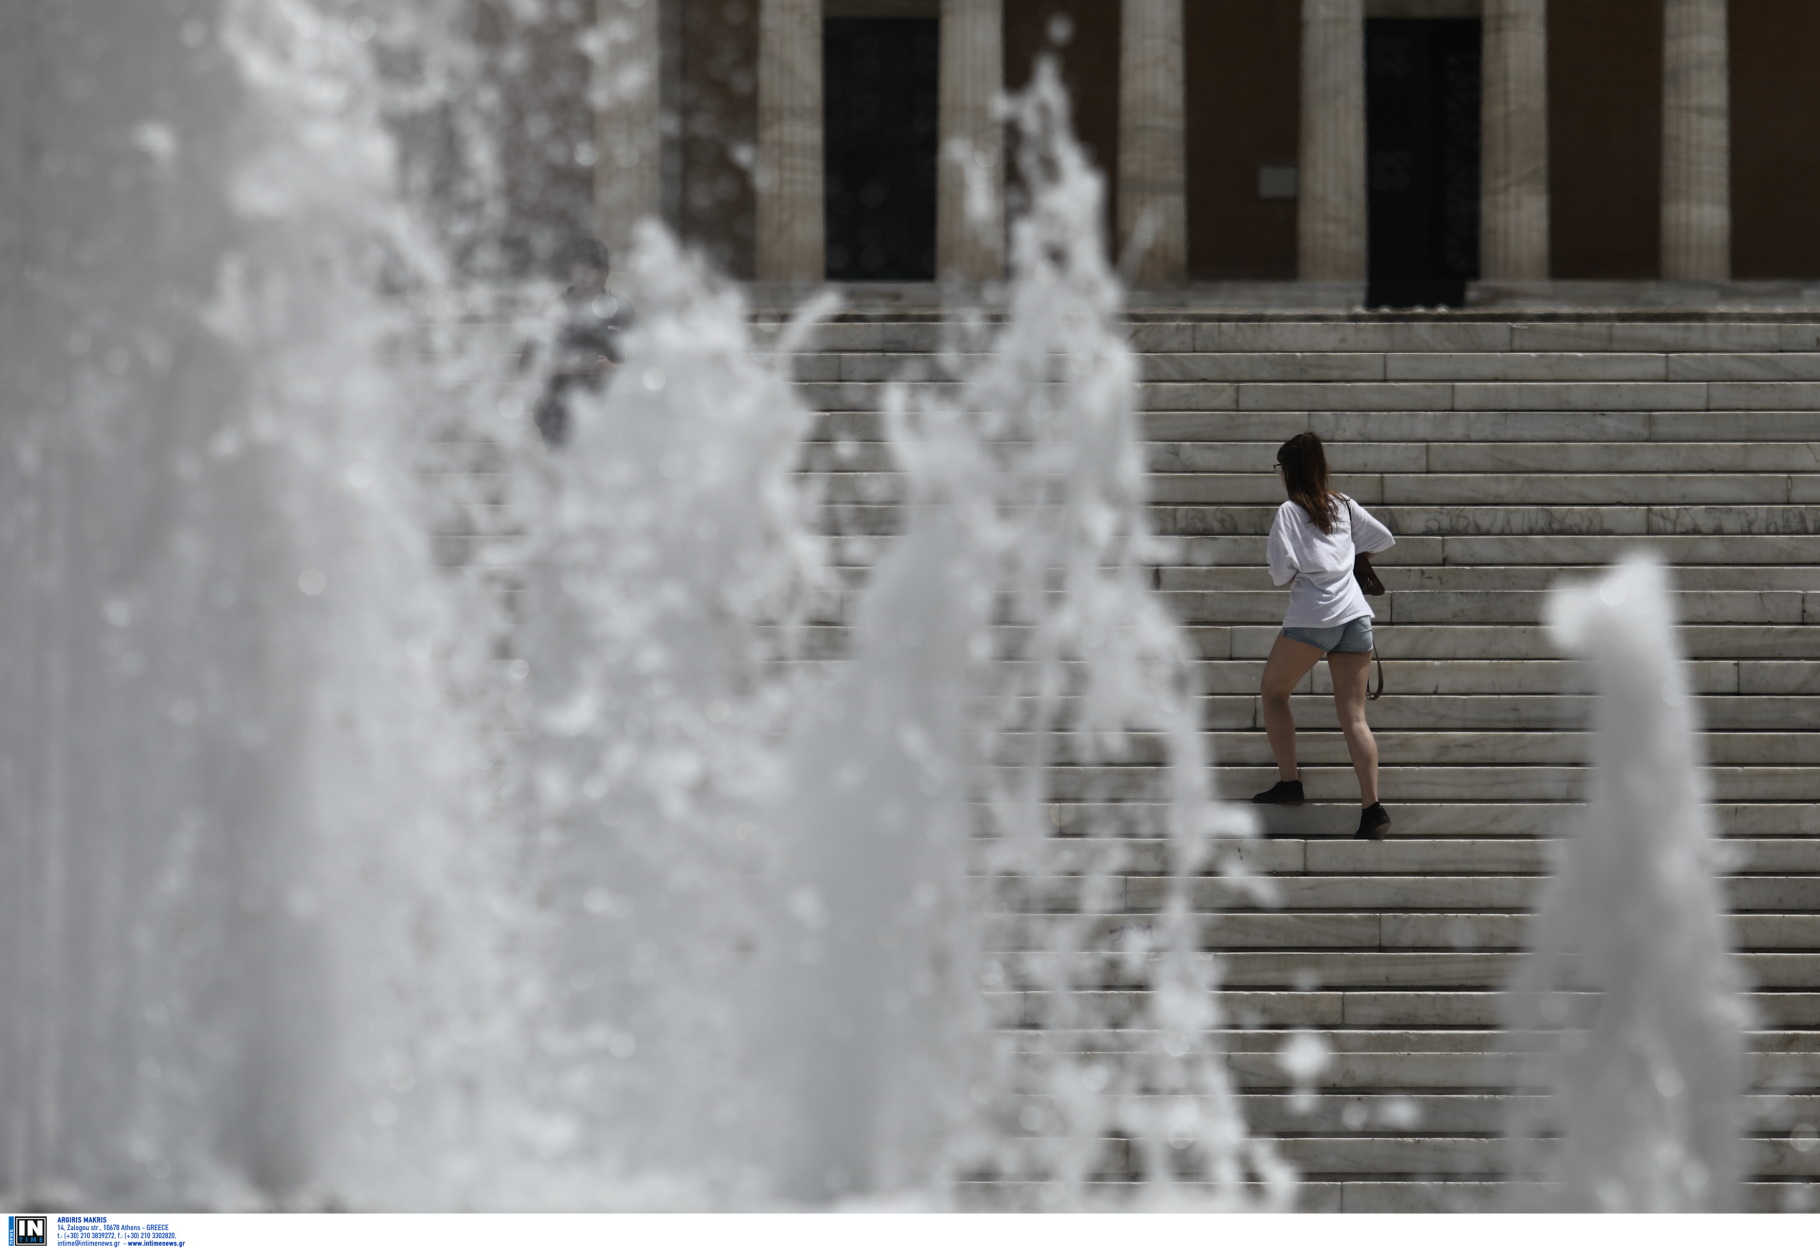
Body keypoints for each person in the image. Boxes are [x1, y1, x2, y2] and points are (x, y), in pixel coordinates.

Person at [1251, 432, 1396, 840]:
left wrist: (1306, 568)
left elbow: (1280, 574)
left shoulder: (1289, 511)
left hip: (1312, 619)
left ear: (1289, 472)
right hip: (1354, 617)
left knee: (1274, 692)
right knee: (1354, 717)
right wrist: (1349, 555)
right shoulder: (1343, 504)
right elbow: (1384, 538)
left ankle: (1289, 782)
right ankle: (1372, 808)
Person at [527, 237, 631, 447]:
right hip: (560, 399)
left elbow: (638, 360)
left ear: (606, 273)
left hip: (604, 396)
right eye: (582, 271)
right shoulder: (556, 311)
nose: (588, 279)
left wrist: (608, 366)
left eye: (595, 272)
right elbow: (531, 360)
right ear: (572, 272)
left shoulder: (618, 312)